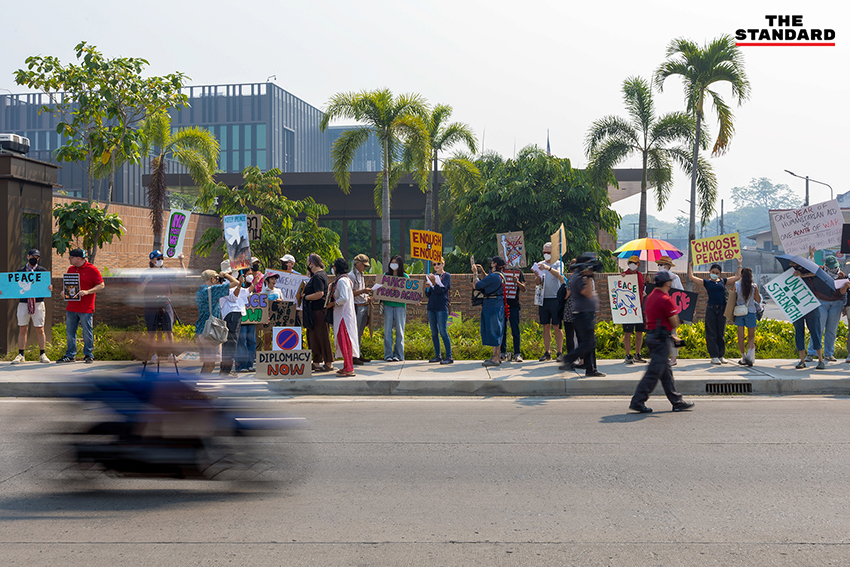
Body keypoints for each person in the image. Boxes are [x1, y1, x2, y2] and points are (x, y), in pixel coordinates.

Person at [628, 270, 695, 414]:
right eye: (670, 281)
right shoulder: (665, 299)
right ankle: (638, 401)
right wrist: (678, 319)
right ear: (666, 283)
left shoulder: (651, 297)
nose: (671, 284)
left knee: (666, 372)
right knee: (653, 373)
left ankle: (677, 401)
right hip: (660, 339)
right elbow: (674, 322)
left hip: (654, 336)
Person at [558, 253, 605, 377]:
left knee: (590, 343)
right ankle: (568, 359)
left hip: (585, 313)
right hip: (583, 314)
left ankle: (590, 369)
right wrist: (589, 277)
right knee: (587, 343)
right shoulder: (579, 277)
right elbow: (588, 293)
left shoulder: (578, 276)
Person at [687, 259, 742, 364]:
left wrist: (739, 263)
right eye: (713, 272)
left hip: (722, 309)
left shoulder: (723, 281)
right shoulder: (707, 282)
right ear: (710, 272)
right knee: (711, 333)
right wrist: (690, 265)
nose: (715, 274)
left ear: (720, 274)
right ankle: (714, 356)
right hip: (711, 309)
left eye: (717, 273)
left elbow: (737, 277)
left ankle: (721, 355)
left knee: (720, 333)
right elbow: (691, 277)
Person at [57, 249, 105, 364]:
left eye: (71, 257)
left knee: (87, 332)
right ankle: (70, 355)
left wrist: (88, 291)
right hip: (72, 307)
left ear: (78, 258)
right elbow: (68, 286)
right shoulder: (71, 269)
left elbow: (101, 285)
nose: (69, 259)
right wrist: (63, 292)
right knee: (70, 332)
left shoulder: (92, 269)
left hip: (85, 307)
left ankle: (88, 355)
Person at [140, 249, 184, 364]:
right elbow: (138, 290)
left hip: (166, 304)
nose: (161, 261)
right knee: (152, 332)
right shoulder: (146, 273)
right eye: (158, 259)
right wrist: (145, 281)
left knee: (168, 331)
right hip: (150, 305)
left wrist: (181, 261)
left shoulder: (166, 271)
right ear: (152, 260)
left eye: (162, 259)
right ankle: (154, 355)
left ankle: (171, 354)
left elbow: (183, 275)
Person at [10, 249, 52, 364]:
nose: (35, 259)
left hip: (38, 303)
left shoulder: (42, 271)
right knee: (22, 328)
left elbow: (45, 285)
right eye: (33, 256)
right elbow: (13, 287)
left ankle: (42, 354)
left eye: (37, 257)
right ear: (28, 256)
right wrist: (4, 290)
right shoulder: (20, 271)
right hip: (23, 303)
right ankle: (21, 354)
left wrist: (49, 288)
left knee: (40, 328)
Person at [194, 268, 239, 374]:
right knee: (211, 364)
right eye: (217, 278)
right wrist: (226, 275)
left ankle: (200, 384)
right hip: (210, 332)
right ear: (212, 279)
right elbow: (236, 283)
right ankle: (202, 385)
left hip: (200, 330)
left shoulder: (199, 292)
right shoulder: (213, 290)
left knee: (207, 363)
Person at [806, 255, 848, 363]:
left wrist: (845, 287)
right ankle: (811, 353)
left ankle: (829, 354)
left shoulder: (841, 275)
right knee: (818, 328)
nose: (834, 269)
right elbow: (810, 267)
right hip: (822, 302)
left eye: (835, 266)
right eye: (831, 267)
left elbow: (842, 293)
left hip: (836, 304)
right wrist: (811, 255)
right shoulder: (820, 271)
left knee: (831, 330)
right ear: (826, 266)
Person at [327, 258, 359, 377]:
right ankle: (346, 366)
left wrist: (333, 303)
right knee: (343, 341)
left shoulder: (342, 281)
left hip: (343, 317)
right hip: (342, 316)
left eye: (334, 266)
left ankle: (349, 368)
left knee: (345, 341)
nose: (333, 268)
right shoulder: (344, 280)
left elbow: (344, 298)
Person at [473, 256, 507, 367]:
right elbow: (487, 279)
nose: (490, 263)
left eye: (492, 262)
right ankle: (495, 356)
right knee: (497, 329)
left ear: (495, 264)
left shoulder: (493, 277)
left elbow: (477, 285)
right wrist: (482, 270)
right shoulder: (500, 276)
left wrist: (474, 273)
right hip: (498, 304)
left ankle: (496, 358)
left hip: (491, 305)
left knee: (493, 330)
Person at [790, 263, 825, 370]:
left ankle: (820, 360)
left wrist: (802, 275)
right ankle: (802, 360)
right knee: (799, 331)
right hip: (796, 305)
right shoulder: (789, 273)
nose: (791, 263)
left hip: (811, 305)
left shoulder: (809, 271)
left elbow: (819, 273)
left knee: (815, 331)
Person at [303, 253, 333, 372]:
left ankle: (328, 362)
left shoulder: (318, 277)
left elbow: (319, 294)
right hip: (313, 311)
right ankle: (316, 362)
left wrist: (306, 297)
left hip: (319, 311)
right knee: (313, 337)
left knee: (322, 336)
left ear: (312, 263)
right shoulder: (317, 276)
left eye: (308, 263)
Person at [535, 242, 565, 361]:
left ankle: (560, 352)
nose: (546, 255)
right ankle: (547, 352)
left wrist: (548, 268)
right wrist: (537, 275)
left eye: (549, 252)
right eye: (544, 252)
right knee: (545, 326)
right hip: (543, 298)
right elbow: (537, 282)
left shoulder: (558, 263)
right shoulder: (540, 264)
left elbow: (559, 275)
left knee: (557, 326)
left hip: (555, 298)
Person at [219, 263, 250, 376]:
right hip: (231, 314)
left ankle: (225, 369)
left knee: (231, 343)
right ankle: (225, 371)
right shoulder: (224, 283)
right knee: (231, 342)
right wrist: (237, 283)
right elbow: (233, 298)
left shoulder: (228, 283)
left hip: (235, 313)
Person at [656, 255, 684, 365]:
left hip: (671, 309)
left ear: (667, 266)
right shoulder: (657, 277)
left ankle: (674, 357)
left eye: (661, 265)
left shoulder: (674, 277)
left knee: (673, 333)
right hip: (660, 310)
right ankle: (664, 356)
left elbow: (681, 293)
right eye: (659, 265)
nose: (659, 267)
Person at [425, 256, 453, 364]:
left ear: (443, 264)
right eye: (434, 264)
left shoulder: (447, 276)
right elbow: (428, 294)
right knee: (433, 332)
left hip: (442, 306)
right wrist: (427, 286)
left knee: (443, 331)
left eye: (438, 263)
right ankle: (438, 355)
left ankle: (449, 356)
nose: (436, 266)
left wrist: (435, 284)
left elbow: (443, 290)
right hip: (431, 306)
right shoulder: (432, 276)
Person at [348, 254, 373, 364]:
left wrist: (366, 297)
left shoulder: (361, 274)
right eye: (364, 265)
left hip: (363, 305)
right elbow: (349, 293)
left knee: (360, 332)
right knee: (355, 332)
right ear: (357, 263)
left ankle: (358, 354)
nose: (365, 268)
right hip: (356, 307)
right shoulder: (351, 276)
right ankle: (353, 356)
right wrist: (363, 291)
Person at [382, 255, 408, 362]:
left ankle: (399, 355)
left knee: (400, 331)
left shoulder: (405, 277)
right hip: (388, 305)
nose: (393, 264)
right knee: (387, 331)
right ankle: (388, 355)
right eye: (392, 262)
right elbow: (380, 288)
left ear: (400, 265)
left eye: (396, 263)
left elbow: (409, 292)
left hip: (400, 307)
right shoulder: (385, 275)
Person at [734, 267, 762, 367]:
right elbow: (758, 300)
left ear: (741, 276)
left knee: (740, 336)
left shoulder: (736, 285)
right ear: (751, 276)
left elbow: (733, 299)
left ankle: (743, 357)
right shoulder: (754, 286)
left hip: (739, 312)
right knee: (751, 336)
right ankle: (749, 356)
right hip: (750, 312)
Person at [621, 255, 646, 364]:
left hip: (640, 307)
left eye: (634, 263)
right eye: (630, 262)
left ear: (638, 264)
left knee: (639, 331)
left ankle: (637, 353)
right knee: (628, 332)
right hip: (628, 308)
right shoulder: (624, 275)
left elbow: (642, 290)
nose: (632, 264)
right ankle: (627, 354)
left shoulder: (640, 275)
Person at [501, 266, 526, 362]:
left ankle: (517, 353)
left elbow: (524, 288)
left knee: (515, 329)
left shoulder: (518, 272)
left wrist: (517, 282)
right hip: (502, 304)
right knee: (502, 329)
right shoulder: (501, 271)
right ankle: (503, 352)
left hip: (514, 305)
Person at [260, 272, 281, 351]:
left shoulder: (278, 291)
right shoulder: (263, 293)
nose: (274, 281)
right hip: (267, 320)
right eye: (272, 279)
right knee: (267, 340)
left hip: (277, 319)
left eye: (275, 279)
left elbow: (283, 303)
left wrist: (280, 301)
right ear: (266, 281)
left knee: (277, 340)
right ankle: (267, 358)